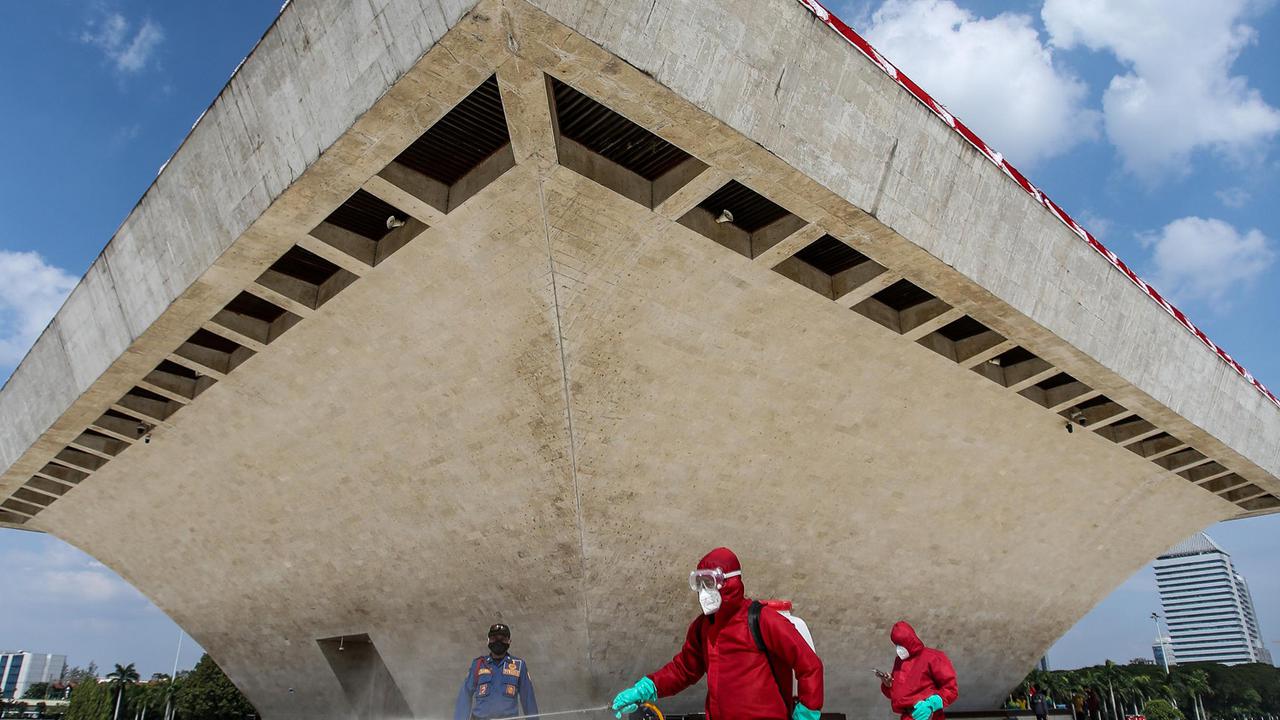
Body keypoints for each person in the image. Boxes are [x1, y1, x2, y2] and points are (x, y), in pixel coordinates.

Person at [610, 547, 824, 720]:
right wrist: (645, 689)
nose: (704, 592)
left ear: (730, 582)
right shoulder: (703, 627)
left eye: (710, 584)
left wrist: (807, 713)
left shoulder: (762, 620)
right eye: (700, 584)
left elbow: (809, 665)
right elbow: (683, 670)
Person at [454, 623, 539, 720]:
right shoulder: (478, 664)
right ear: (488, 641)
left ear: (509, 641)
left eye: (502, 639)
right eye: (494, 638)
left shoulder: (519, 665)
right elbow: (465, 696)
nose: (498, 642)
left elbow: (528, 700)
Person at [879, 621, 958, 720]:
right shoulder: (900, 661)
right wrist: (888, 685)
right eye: (896, 644)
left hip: (929, 715)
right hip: (907, 716)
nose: (899, 649)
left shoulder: (933, 657)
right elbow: (898, 694)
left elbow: (951, 690)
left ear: (909, 640)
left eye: (901, 643)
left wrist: (930, 705)